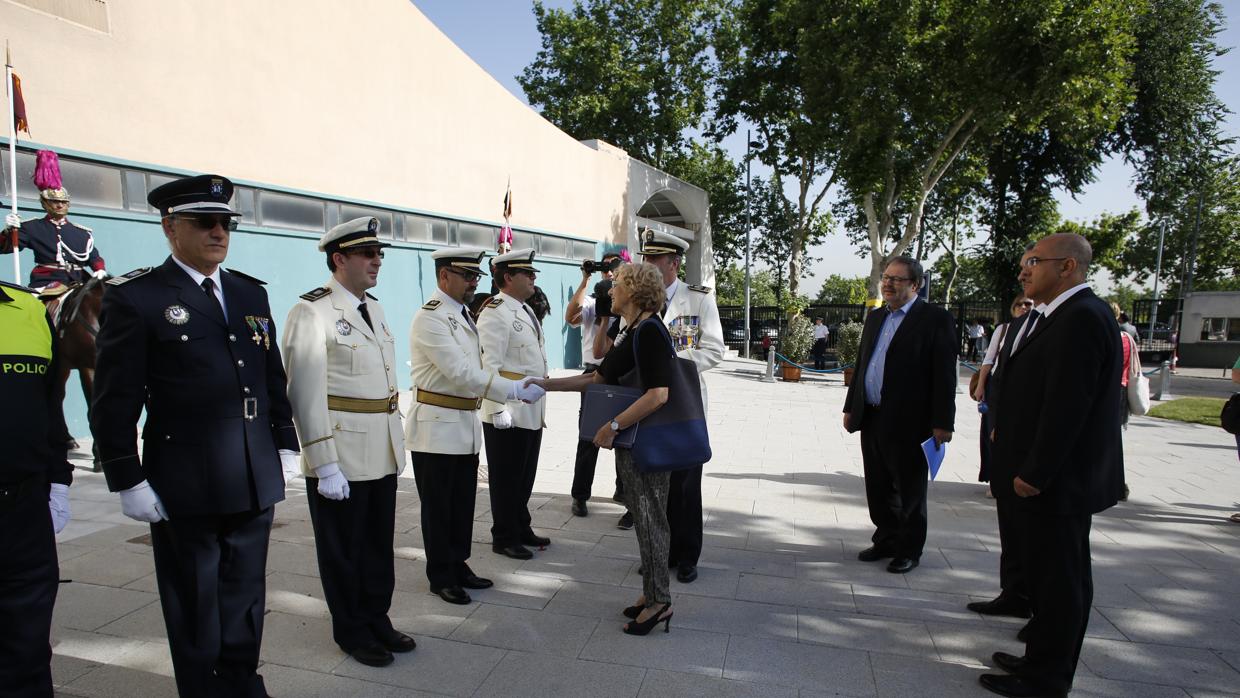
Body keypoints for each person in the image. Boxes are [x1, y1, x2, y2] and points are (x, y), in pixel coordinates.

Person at [90, 174, 300, 698]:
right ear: (170, 227)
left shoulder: (249, 292)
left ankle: (241, 680)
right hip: (184, 476)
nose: (217, 232)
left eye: (225, 223)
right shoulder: (138, 297)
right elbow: (115, 398)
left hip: (251, 469)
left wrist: (285, 442)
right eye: (204, 222)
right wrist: (125, 475)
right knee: (194, 598)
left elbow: (271, 375)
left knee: (247, 592)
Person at [980, 233, 1124, 698]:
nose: (1023, 270)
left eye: (1033, 261)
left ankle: (1046, 679)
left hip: (1057, 484)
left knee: (1061, 583)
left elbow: (1068, 406)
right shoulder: (1054, 315)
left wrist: (1036, 472)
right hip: (1044, 479)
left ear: (1067, 267)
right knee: (1045, 580)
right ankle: (1037, 658)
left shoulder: (1082, 316)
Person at [280, 216, 412, 668]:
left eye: (379, 254)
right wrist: (323, 461)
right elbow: (304, 391)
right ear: (340, 259)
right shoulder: (311, 311)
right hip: (342, 453)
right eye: (367, 254)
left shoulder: (372, 308)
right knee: (344, 549)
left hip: (382, 447)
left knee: (377, 544)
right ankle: (351, 630)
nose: (376, 261)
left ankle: (377, 617)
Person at [529, 262, 677, 635]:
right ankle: (651, 592)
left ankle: (660, 602)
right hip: (635, 442)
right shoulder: (633, 329)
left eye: (617, 285)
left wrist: (613, 426)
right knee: (644, 520)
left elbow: (660, 394)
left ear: (634, 291)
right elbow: (597, 378)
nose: (610, 291)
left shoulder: (650, 331)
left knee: (652, 520)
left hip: (647, 442)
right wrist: (544, 385)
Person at [405, 247, 545, 605]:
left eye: (476, 277)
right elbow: (461, 372)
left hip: (463, 424)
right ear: (443, 277)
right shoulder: (431, 317)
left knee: (462, 502)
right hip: (436, 427)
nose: (473, 283)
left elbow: (477, 367)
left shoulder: (462, 314)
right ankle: (441, 574)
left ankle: (458, 563)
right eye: (466, 276)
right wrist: (510, 391)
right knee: (439, 507)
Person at [842, 255, 956, 575]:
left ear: (916, 285)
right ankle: (887, 539)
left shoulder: (935, 319)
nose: (888, 284)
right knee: (878, 487)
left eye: (897, 279)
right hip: (873, 416)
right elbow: (863, 364)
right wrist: (852, 407)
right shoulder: (876, 317)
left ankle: (909, 549)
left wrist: (942, 423)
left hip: (911, 420)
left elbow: (945, 375)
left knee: (909, 490)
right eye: (886, 278)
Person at [0, 279, 73, 697]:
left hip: (25, 506)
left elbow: (50, 406)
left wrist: (58, 480)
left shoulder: (29, 310)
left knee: (28, 650)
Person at [638, 228, 724, 584]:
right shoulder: (642, 299)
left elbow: (714, 350)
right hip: (648, 404)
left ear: (673, 264)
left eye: (654, 260)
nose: (648, 265)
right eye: (645, 259)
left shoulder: (698, 299)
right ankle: (661, 552)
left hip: (685, 403)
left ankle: (687, 555)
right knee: (655, 486)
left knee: (687, 485)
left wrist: (671, 363)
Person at [967, 283, 1037, 621]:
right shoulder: (1008, 330)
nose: (1025, 304)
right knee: (1010, 524)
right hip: (1007, 426)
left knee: (1040, 538)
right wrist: (986, 394)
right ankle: (1013, 593)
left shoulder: (1066, 323)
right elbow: (993, 366)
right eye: (1020, 301)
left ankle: (1043, 617)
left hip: (1038, 446)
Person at [477, 248, 551, 560]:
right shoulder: (495, 312)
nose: (533, 277)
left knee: (524, 475)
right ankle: (504, 535)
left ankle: (521, 525)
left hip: (530, 407)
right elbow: (487, 365)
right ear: (508, 277)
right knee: (506, 477)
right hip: (508, 408)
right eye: (527, 273)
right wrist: (496, 408)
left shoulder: (524, 309)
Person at [565, 253, 622, 517]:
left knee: (624, 436)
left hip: (622, 374)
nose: (609, 272)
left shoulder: (628, 300)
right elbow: (570, 317)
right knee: (588, 435)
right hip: (594, 371)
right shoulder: (593, 301)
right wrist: (585, 279)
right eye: (605, 267)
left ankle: (625, 492)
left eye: (615, 267)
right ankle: (580, 495)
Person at [973, 297, 1032, 488]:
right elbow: (989, 360)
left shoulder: (1039, 327)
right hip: (997, 385)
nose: (1024, 307)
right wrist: (981, 385)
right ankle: (994, 477)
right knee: (992, 431)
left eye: (1028, 304)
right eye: (1020, 304)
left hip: (1023, 387)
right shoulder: (1004, 329)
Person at [2, 185, 107, 292]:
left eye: (64, 202)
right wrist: (8, 231)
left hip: (79, 281)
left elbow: (94, 257)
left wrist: (100, 270)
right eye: (55, 201)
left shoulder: (82, 233)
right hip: (46, 282)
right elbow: (4, 247)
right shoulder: (32, 227)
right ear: (45, 203)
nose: (60, 205)